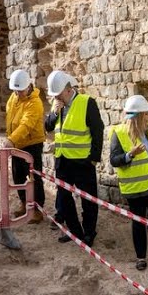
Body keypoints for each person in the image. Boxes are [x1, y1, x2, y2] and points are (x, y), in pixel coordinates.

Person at [109, 95, 148, 271]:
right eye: (146, 114)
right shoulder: (119, 133)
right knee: (139, 223)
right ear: (137, 117)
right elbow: (114, 160)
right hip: (136, 187)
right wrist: (130, 154)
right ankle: (141, 258)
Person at [43, 70, 103, 245]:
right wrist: (54, 113)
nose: (56, 97)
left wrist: (94, 158)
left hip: (82, 162)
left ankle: (89, 233)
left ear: (68, 90)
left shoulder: (87, 103)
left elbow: (98, 131)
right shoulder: (57, 106)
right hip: (62, 161)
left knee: (88, 200)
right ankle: (75, 232)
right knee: (64, 199)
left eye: (58, 94)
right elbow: (47, 126)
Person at [4, 70, 46, 224]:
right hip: (17, 144)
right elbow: (10, 116)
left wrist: (11, 139)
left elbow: (26, 124)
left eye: (20, 90)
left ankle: (37, 210)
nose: (17, 93)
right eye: (15, 90)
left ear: (28, 86)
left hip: (32, 144)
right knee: (18, 176)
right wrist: (11, 137)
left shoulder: (35, 102)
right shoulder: (14, 96)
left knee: (34, 178)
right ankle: (24, 203)